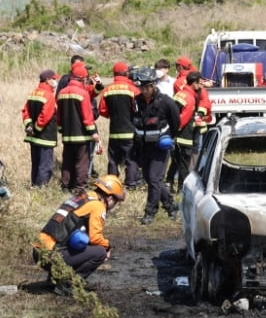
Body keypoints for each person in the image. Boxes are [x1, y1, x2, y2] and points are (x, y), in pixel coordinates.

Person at [32, 175, 125, 296]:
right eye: (117, 201)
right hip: (50, 255)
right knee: (99, 253)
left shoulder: (83, 196)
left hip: (38, 251)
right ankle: (69, 285)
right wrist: (108, 247)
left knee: (78, 240)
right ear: (111, 198)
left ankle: (55, 279)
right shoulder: (98, 205)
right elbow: (95, 237)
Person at [131, 67, 180, 225]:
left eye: (147, 87)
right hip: (143, 147)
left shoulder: (166, 101)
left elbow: (175, 122)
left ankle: (150, 212)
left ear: (154, 85)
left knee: (154, 179)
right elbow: (134, 121)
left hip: (160, 147)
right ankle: (171, 206)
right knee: (152, 180)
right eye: (142, 87)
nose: (144, 90)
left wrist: (170, 139)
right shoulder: (136, 101)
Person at [56, 63, 101, 193]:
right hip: (82, 135)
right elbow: (87, 115)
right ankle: (80, 187)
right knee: (82, 162)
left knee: (67, 161)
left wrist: (60, 128)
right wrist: (93, 132)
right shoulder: (83, 93)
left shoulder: (62, 92)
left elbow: (59, 115)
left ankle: (66, 185)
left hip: (67, 134)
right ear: (83, 78)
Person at [98, 62, 140, 190]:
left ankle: (111, 183)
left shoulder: (107, 90)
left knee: (113, 160)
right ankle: (131, 183)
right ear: (126, 73)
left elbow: (102, 111)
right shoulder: (133, 89)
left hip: (114, 132)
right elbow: (138, 109)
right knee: (131, 159)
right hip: (130, 131)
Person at [170, 71, 211, 192]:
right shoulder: (190, 96)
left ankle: (171, 181)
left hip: (187, 130)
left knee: (178, 159)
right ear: (194, 83)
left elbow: (205, 103)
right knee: (185, 160)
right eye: (200, 82)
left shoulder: (182, 93)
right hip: (186, 132)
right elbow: (184, 116)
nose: (202, 85)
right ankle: (182, 185)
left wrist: (201, 113)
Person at [22, 69, 60, 187]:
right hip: (45, 137)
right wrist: (37, 129)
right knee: (46, 165)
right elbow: (45, 115)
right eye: (54, 79)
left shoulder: (34, 93)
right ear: (47, 80)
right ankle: (41, 189)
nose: (55, 81)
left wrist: (29, 126)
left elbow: (25, 111)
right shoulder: (49, 96)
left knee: (36, 163)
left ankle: (34, 186)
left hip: (33, 138)